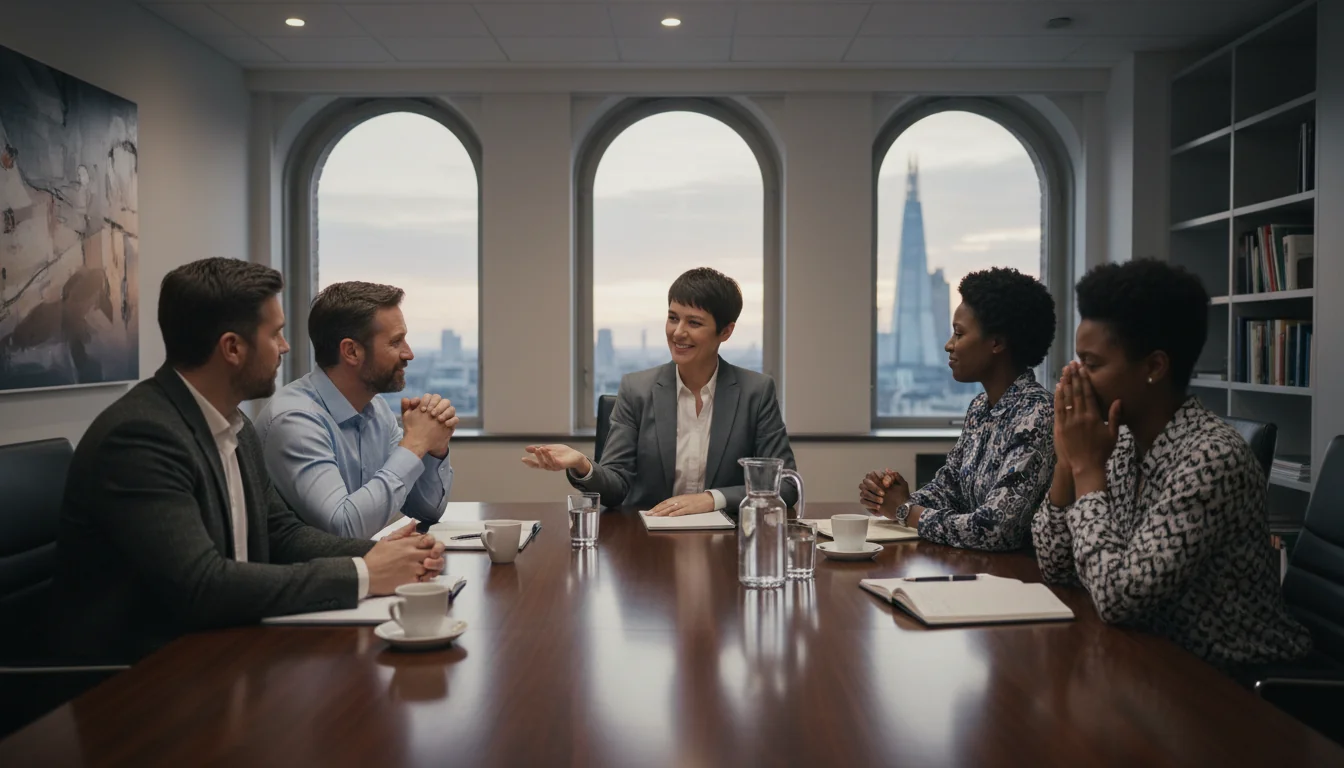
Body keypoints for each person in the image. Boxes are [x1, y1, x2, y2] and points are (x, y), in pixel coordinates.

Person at [51, 258, 445, 663]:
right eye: (274, 334)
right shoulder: (142, 437)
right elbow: (201, 584)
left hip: (222, 647)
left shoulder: (234, 425)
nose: (285, 347)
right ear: (233, 348)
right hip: (143, 675)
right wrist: (363, 573)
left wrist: (377, 554)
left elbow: (281, 533)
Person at [1032, 259, 1311, 669]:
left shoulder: (1211, 458)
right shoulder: (1121, 441)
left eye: (1091, 364)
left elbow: (1118, 598)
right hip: (1149, 656)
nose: (1074, 378)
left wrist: (1087, 470)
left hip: (1230, 682)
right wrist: (1066, 461)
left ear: (1154, 367)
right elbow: (1055, 565)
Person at [521, 267, 797, 514]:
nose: (678, 333)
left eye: (694, 322)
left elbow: (785, 484)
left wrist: (712, 499)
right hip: (647, 538)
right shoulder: (637, 389)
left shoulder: (755, 392)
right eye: (673, 318)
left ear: (726, 331)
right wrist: (582, 464)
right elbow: (616, 488)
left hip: (726, 540)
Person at [859, 267, 1056, 551]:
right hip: (975, 566)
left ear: (997, 342)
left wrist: (905, 511)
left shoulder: (1038, 414)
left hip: (1018, 573)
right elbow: (950, 490)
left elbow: (994, 529)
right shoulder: (979, 408)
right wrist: (891, 497)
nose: (948, 345)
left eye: (959, 334)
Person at [255, 282, 456, 539]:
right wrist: (415, 444)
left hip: (359, 563)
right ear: (351, 351)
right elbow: (344, 528)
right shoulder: (294, 420)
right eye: (396, 342)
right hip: (313, 566)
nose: (409, 354)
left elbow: (426, 510)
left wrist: (434, 448)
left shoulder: (376, 410)